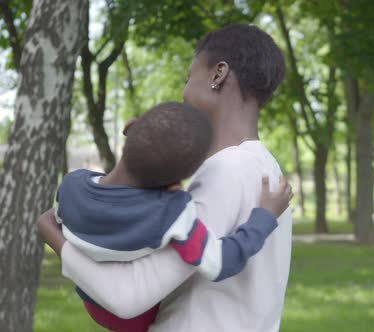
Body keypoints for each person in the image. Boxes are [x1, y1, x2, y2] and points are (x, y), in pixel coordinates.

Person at [38, 23, 291, 331]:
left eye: (189, 76)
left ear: (218, 74)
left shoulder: (225, 170)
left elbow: (126, 298)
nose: (184, 91)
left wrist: (53, 235)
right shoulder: (267, 168)